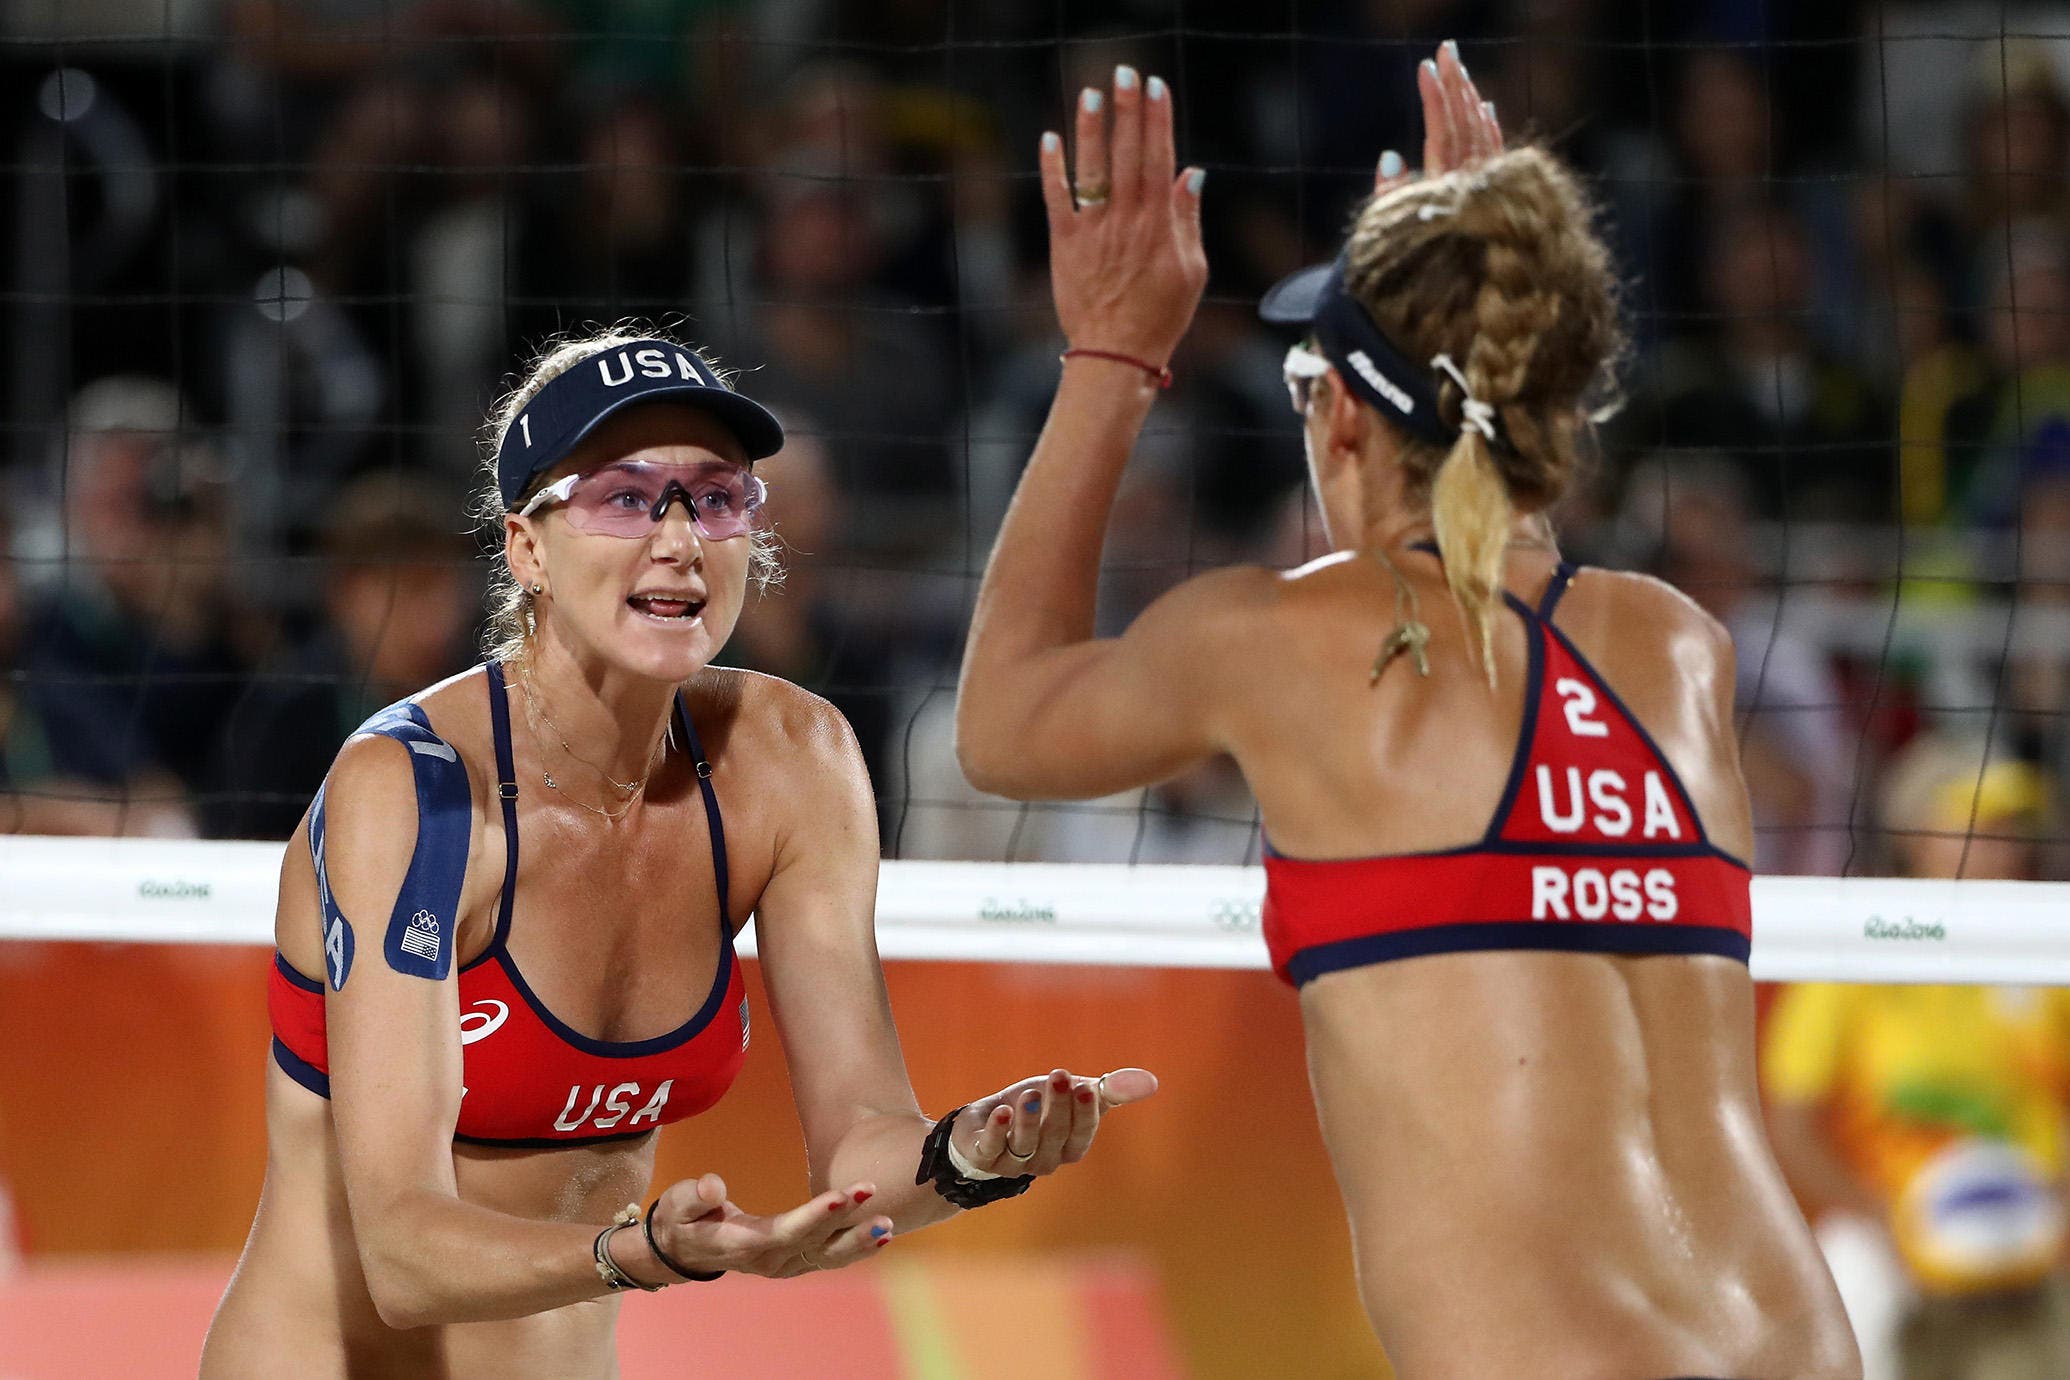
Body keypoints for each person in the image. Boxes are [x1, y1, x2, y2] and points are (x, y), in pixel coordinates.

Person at [956, 49, 1858, 1377]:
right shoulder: (1675, 648)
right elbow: (1510, 562)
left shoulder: (1289, 643)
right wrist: (1476, 285)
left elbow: (1000, 725)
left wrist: (1106, 353)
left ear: (1339, 428)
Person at [200, 327, 1155, 1378]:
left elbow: (863, 1144)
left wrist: (969, 1156)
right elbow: (401, 1254)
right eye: (624, 496)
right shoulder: (418, 791)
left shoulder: (794, 761)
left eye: (714, 497)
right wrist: (646, 1250)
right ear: (527, 548)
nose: (679, 536)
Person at [1766, 735, 2070, 1380]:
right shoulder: (1856, 949)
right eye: (1976, 828)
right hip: (1888, 1221)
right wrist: (1882, 1217)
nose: (2003, 848)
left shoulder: (2048, 943)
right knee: (1846, 1289)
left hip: (2036, 1219)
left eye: (2010, 828)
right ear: (1916, 835)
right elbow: (1790, 1126)